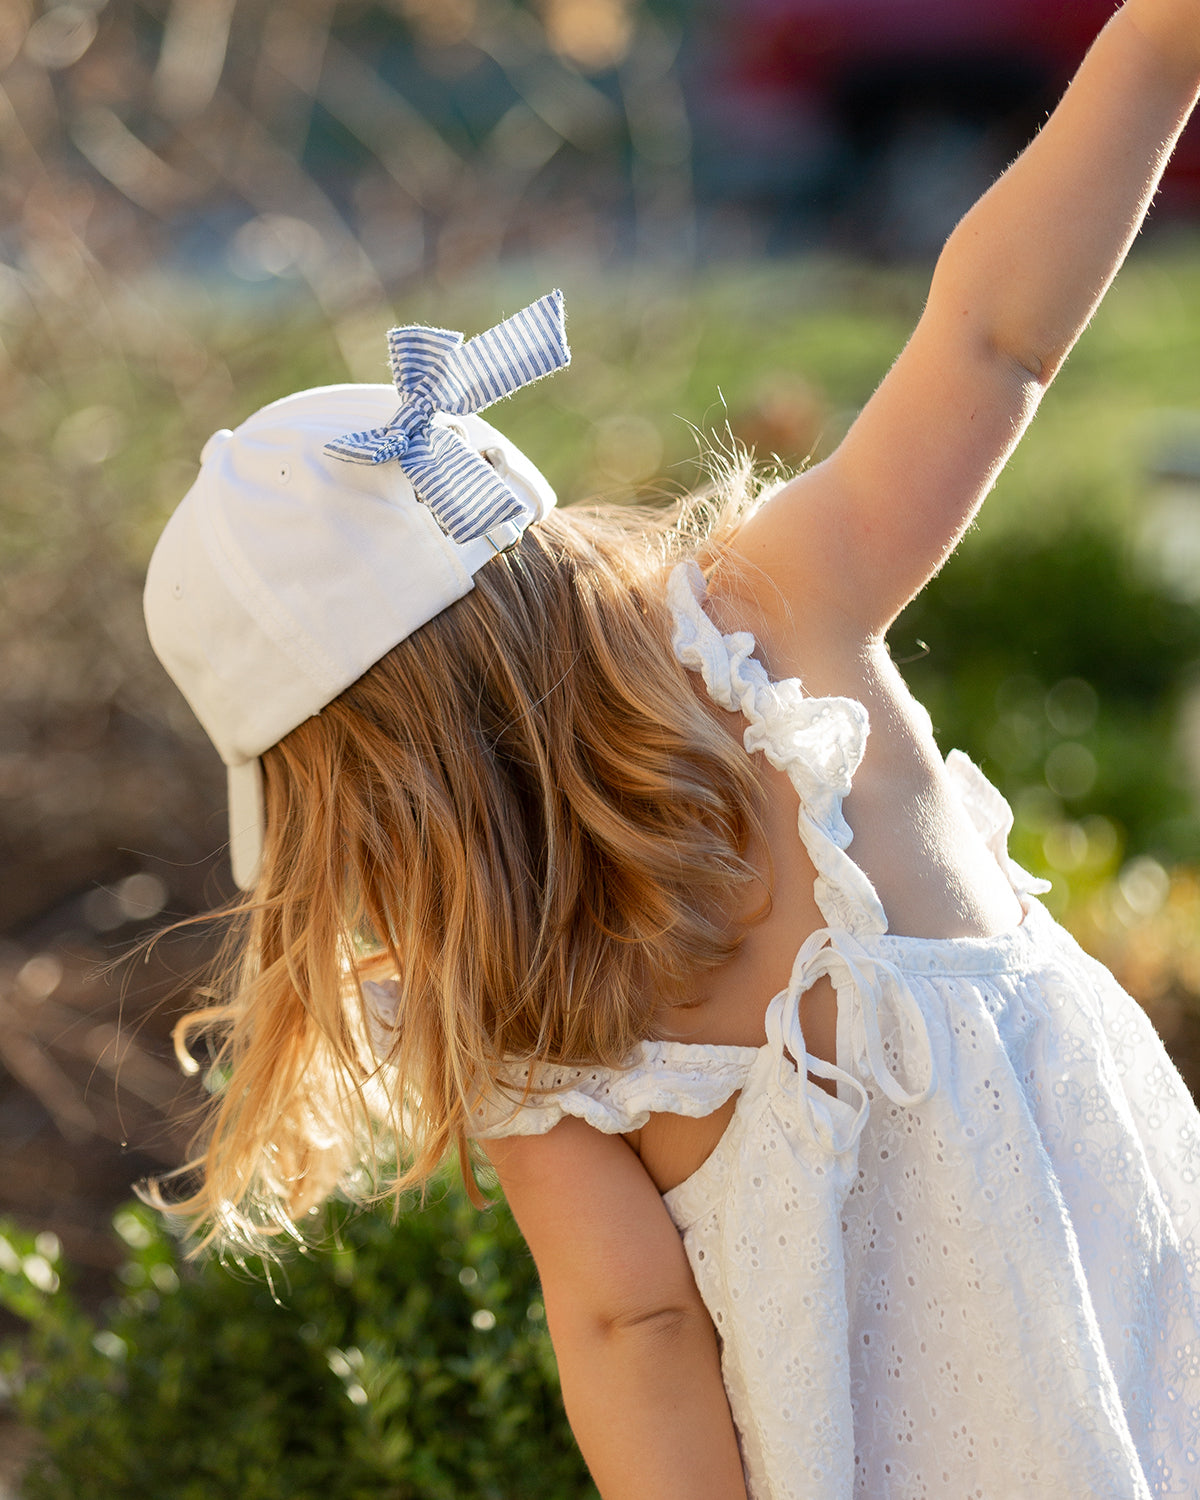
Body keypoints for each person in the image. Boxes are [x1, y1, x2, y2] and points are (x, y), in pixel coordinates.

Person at [143, 2, 1200, 1494]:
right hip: (1146, 1339)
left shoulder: (509, 1012)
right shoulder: (780, 614)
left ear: (342, 792)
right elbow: (992, 337)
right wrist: (1157, 55)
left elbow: (630, 1322)